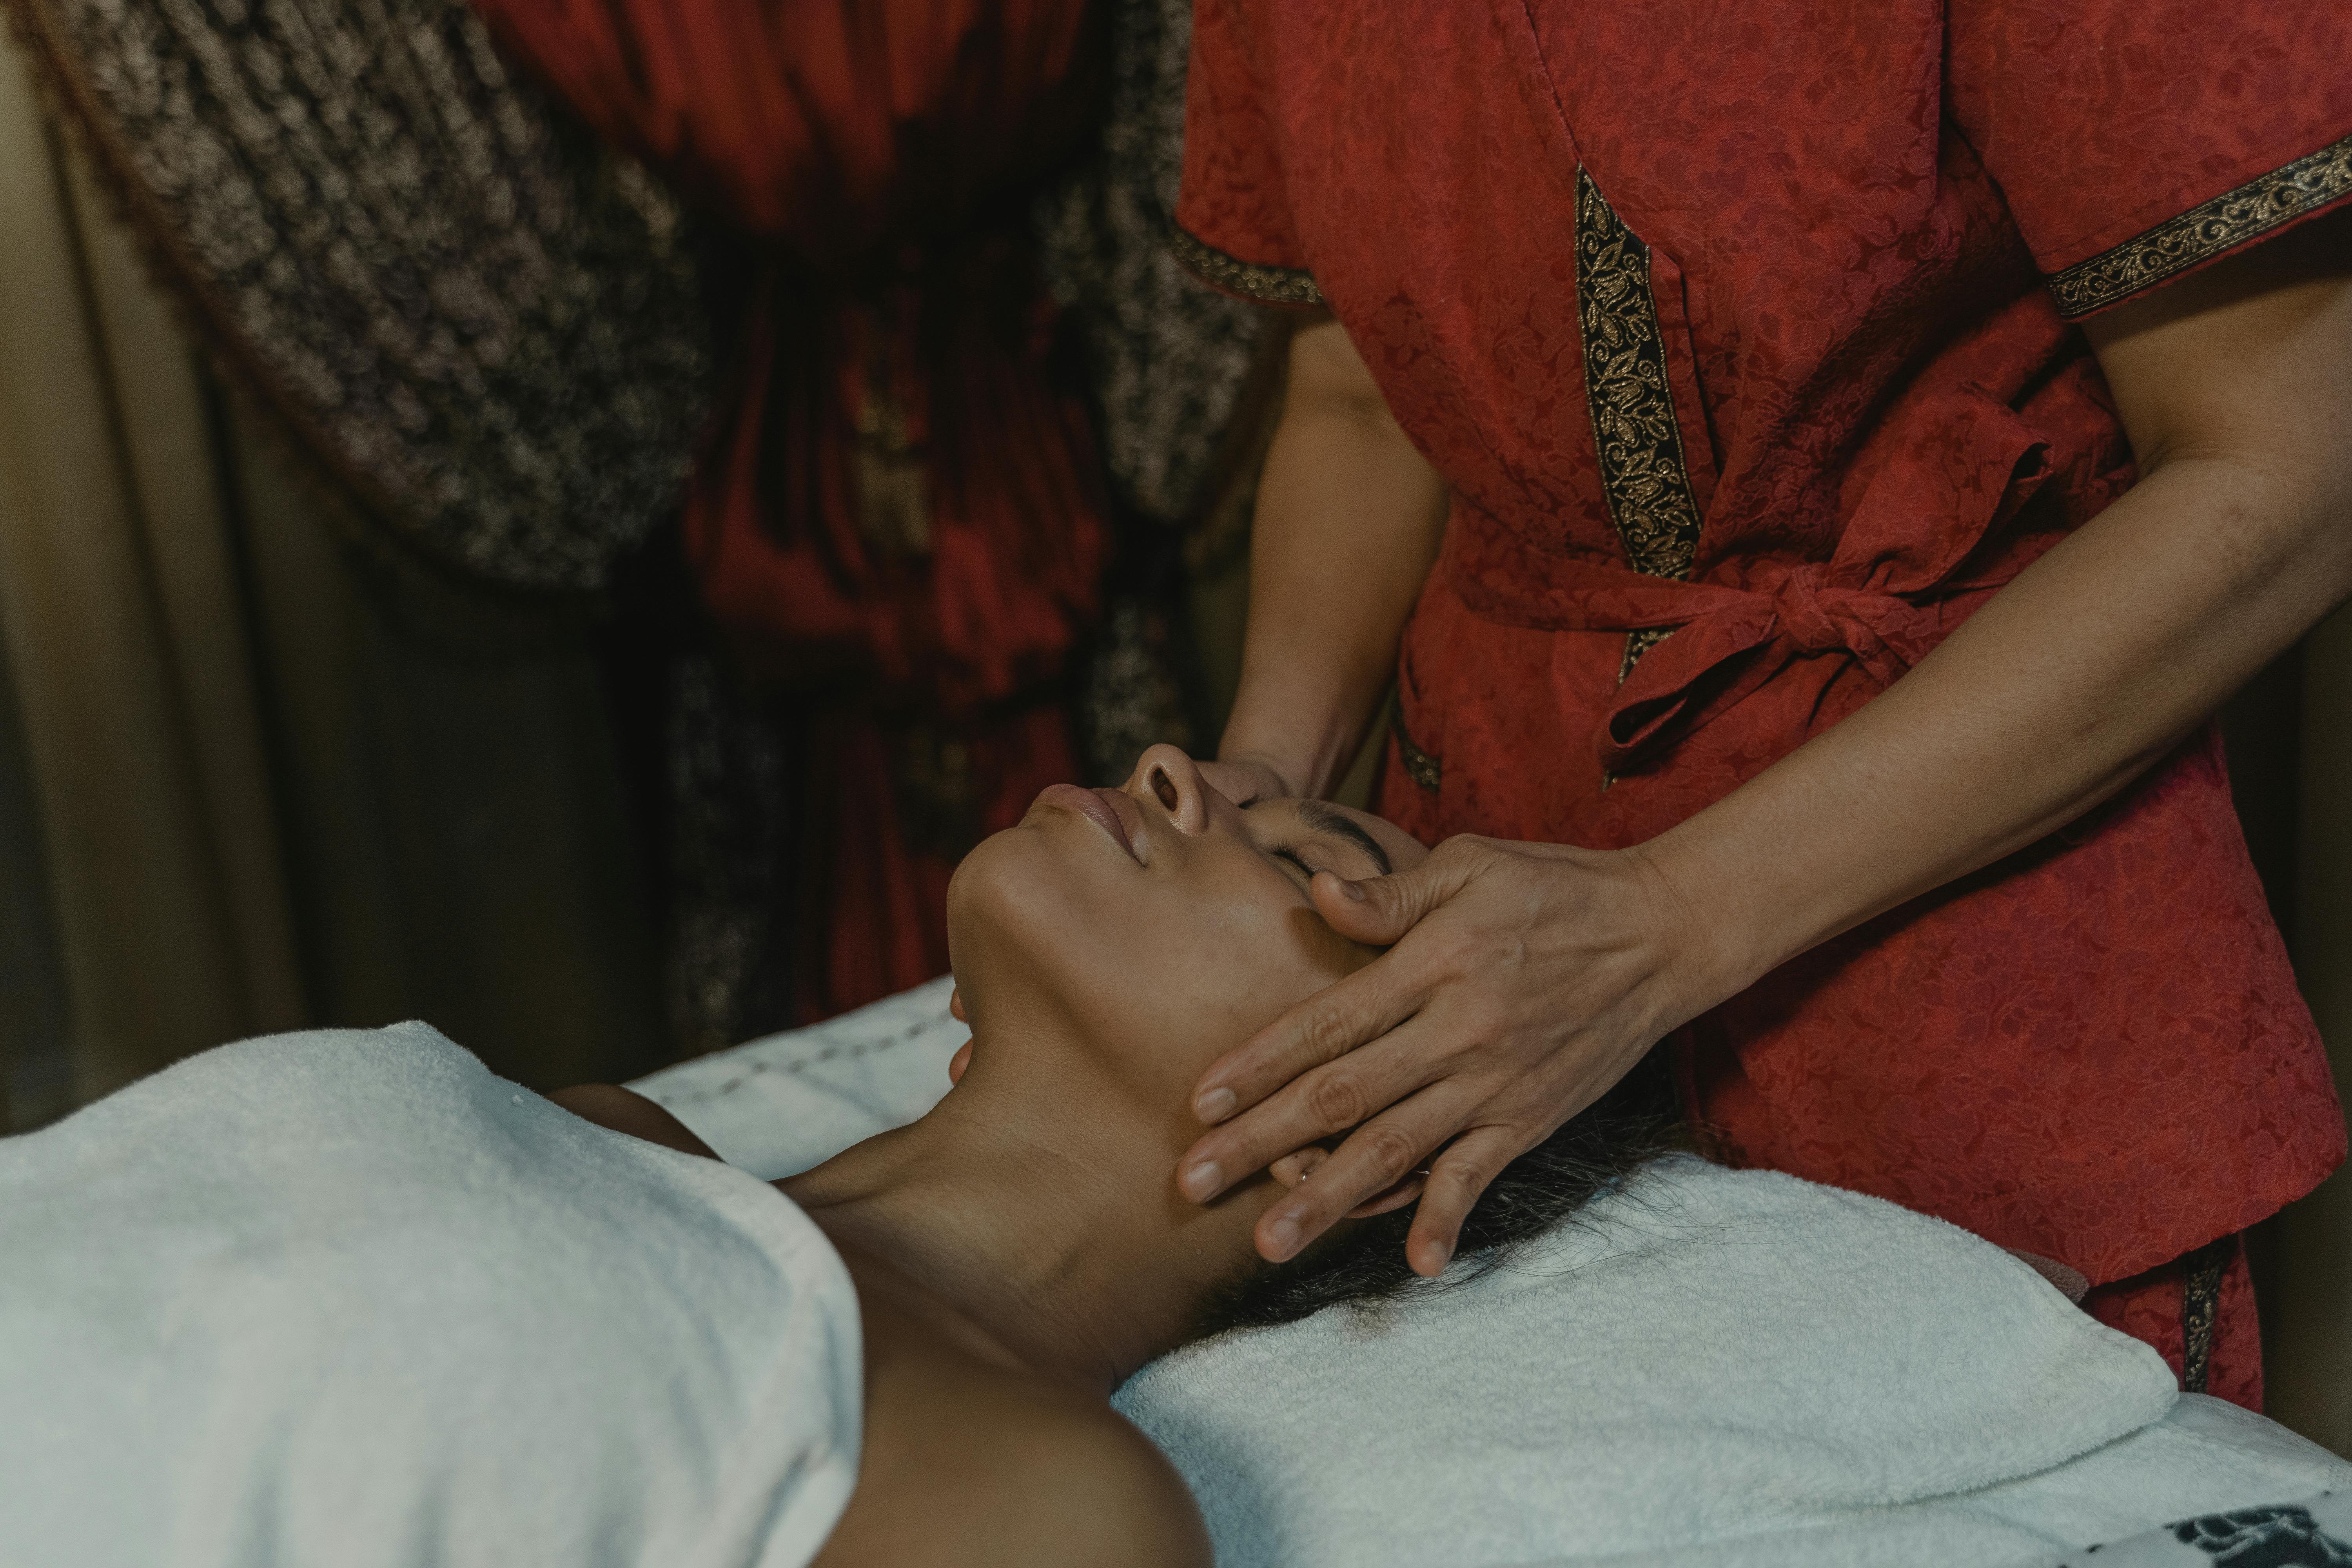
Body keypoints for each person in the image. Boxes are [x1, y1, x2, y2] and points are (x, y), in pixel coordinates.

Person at [1156, 0, 2352, 1408]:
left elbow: (2293, 468)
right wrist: (1266, 793)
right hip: (1481, 829)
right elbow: (1357, 391)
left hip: (1944, 875)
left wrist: (1670, 919)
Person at [0, 745, 1653, 1568]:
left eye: (1303, 858)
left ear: (1371, 1146)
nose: (1171, 765)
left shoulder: (1040, 1502)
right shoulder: (608, 1130)